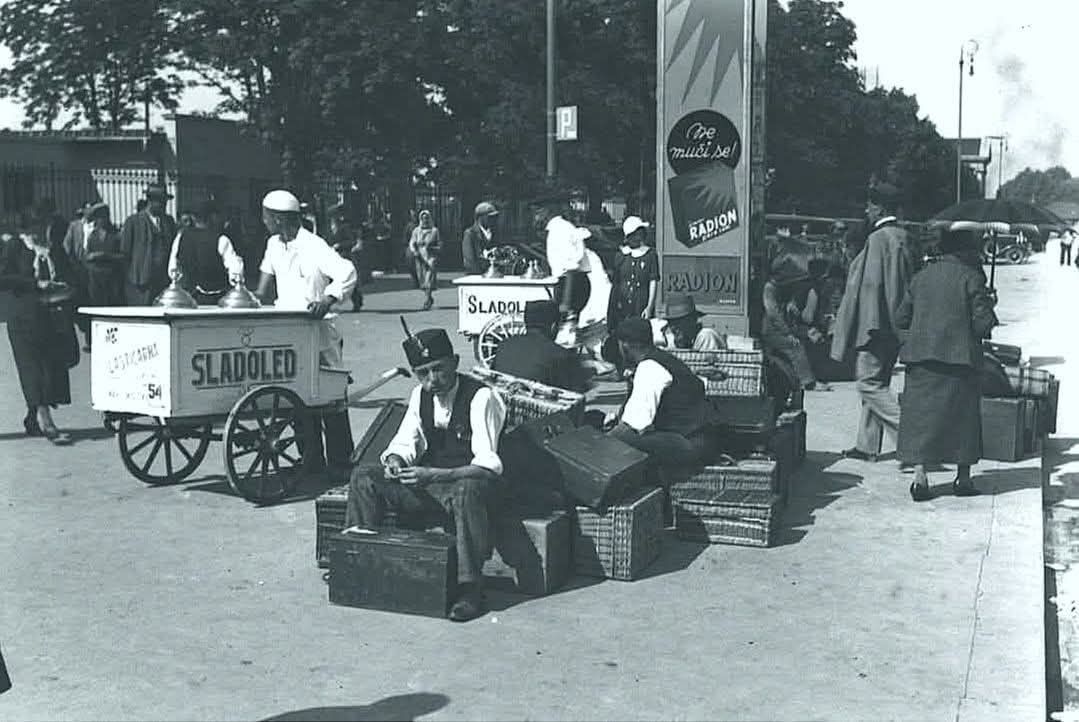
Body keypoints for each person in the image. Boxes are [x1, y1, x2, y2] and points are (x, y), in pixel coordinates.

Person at [346, 327, 507, 623]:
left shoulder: (481, 397)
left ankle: (470, 588)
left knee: (467, 488)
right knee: (364, 476)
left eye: (439, 369)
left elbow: (487, 467)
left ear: (455, 362)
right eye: (423, 373)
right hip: (431, 485)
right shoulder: (420, 395)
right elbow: (406, 441)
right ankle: (357, 560)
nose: (432, 380)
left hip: (472, 491)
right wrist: (395, 461)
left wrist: (435, 475)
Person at [255, 189, 358, 469]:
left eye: (266, 216)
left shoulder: (314, 246)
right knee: (297, 395)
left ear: (278, 219)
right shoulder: (273, 244)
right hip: (288, 331)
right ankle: (310, 458)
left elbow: (348, 272)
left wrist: (327, 300)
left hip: (319, 332)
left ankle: (341, 461)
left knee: (331, 395)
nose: (263, 221)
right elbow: (263, 287)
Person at [897, 230, 998, 501]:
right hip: (960, 362)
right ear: (965, 250)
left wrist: (917, 338)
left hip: (921, 360)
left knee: (921, 419)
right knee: (963, 420)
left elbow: (901, 318)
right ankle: (963, 478)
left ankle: (920, 478)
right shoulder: (971, 278)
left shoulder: (920, 277)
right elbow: (982, 325)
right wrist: (990, 304)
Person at [829, 181, 913, 461]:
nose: (866, 210)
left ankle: (912, 436)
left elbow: (872, 286)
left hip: (876, 325)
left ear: (879, 208)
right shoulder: (903, 236)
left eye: (869, 205)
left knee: (867, 383)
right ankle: (866, 446)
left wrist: (868, 326)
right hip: (895, 324)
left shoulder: (878, 239)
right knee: (878, 382)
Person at [0, 213, 80, 444]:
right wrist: (35, 283)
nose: (40, 231)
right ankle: (47, 421)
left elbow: (69, 273)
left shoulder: (52, 249)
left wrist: (65, 285)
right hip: (23, 317)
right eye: (36, 226)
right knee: (32, 367)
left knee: (49, 367)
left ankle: (32, 417)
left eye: (43, 226)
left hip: (51, 316)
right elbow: (3, 277)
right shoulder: (15, 247)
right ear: (26, 228)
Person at [606, 316, 718, 473]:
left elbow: (637, 423)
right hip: (700, 437)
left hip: (689, 443)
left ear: (625, 345)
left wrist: (602, 441)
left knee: (619, 438)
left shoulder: (649, 367)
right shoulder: (664, 358)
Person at [492, 299, 588, 392]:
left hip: (502, 399)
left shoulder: (503, 346)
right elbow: (577, 394)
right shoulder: (561, 355)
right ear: (553, 326)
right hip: (539, 402)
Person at [534, 194, 592, 346]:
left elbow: (571, 268)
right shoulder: (559, 228)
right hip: (571, 282)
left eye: (538, 212)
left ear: (547, 212)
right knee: (566, 333)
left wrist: (566, 302)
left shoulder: (560, 231)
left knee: (565, 336)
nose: (536, 217)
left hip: (571, 284)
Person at [167, 198, 245, 305]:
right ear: (212, 217)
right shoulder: (221, 240)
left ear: (193, 217)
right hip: (216, 299)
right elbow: (235, 271)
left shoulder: (180, 238)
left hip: (188, 299)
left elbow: (173, 268)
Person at [761, 256, 818, 400]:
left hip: (781, 328)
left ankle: (803, 377)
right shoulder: (770, 289)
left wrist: (791, 305)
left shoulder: (780, 288)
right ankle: (808, 382)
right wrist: (787, 333)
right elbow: (773, 314)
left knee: (806, 336)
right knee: (794, 345)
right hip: (771, 331)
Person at [69, 203, 124, 352]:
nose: (100, 221)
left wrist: (106, 256)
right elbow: (87, 255)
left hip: (111, 279)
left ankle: (111, 340)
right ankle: (92, 341)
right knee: (94, 309)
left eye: (102, 218)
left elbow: (123, 257)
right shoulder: (93, 236)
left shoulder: (116, 235)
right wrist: (89, 259)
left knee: (111, 310)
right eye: (97, 219)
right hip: (94, 278)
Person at [119, 184, 178, 306]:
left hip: (162, 280)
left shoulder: (169, 222)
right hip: (140, 281)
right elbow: (125, 252)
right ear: (150, 201)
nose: (163, 205)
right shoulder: (133, 222)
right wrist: (132, 276)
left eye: (164, 202)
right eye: (160, 201)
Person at [607, 216, 659, 343]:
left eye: (640, 232)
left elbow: (653, 281)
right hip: (623, 304)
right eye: (636, 233)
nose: (639, 235)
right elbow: (616, 284)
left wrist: (649, 306)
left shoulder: (650, 255)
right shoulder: (621, 256)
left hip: (641, 302)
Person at [656, 294, 725, 351]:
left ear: (692, 321)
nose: (674, 327)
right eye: (672, 323)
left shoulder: (706, 336)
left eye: (680, 322)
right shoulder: (672, 339)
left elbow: (707, 362)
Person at [329, 206, 365, 311]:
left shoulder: (344, 228)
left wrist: (339, 245)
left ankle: (357, 301)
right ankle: (329, 303)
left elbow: (351, 241)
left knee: (349, 279)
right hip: (334, 257)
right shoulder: (329, 228)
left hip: (345, 256)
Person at [408, 209, 441, 311]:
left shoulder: (434, 231)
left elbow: (439, 243)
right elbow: (412, 243)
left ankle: (427, 301)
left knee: (429, 279)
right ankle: (429, 297)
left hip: (430, 257)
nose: (425, 220)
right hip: (420, 258)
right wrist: (414, 251)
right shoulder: (416, 231)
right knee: (422, 279)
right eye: (423, 218)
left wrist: (434, 248)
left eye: (427, 218)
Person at [462, 201, 499, 275]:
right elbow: (469, 261)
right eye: (489, 217)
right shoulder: (470, 234)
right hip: (476, 277)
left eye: (494, 217)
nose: (493, 220)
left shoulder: (495, 233)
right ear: (480, 218)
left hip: (495, 275)